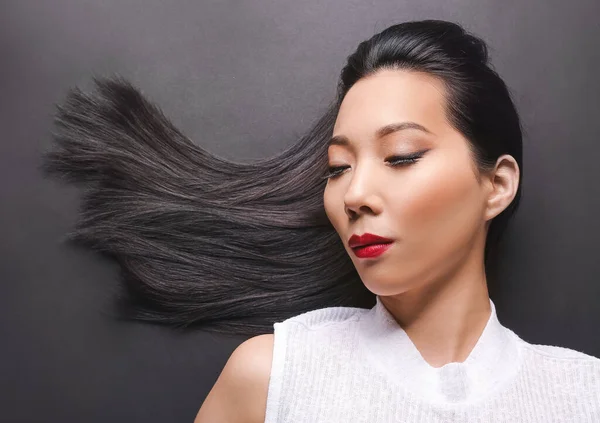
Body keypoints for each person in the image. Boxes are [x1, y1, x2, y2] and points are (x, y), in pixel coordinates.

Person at [42, 19, 600, 422]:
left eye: (402, 155)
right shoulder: (275, 378)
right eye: (338, 167)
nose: (354, 193)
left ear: (496, 184)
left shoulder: (582, 396)